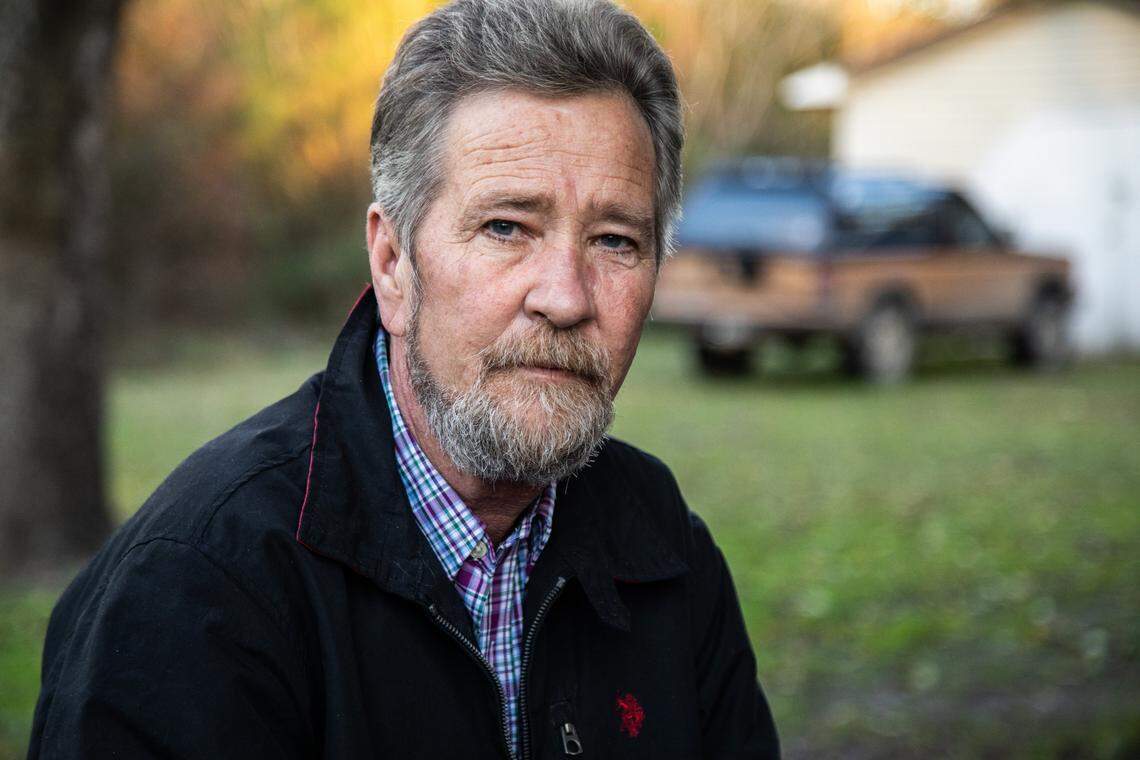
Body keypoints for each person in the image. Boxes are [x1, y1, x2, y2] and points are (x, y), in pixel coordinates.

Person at [29, 1, 779, 757]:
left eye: (615, 240)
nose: (566, 297)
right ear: (392, 263)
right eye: (506, 228)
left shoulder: (666, 550)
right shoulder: (193, 591)